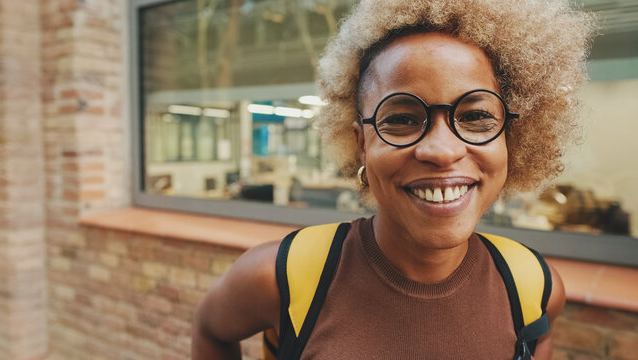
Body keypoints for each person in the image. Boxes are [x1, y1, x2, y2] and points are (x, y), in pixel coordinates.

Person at [192, 0, 594, 359]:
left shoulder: (533, 289)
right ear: (361, 144)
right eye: (401, 119)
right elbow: (211, 330)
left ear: (512, 137)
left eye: (475, 116)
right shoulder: (279, 278)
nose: (441, 150)